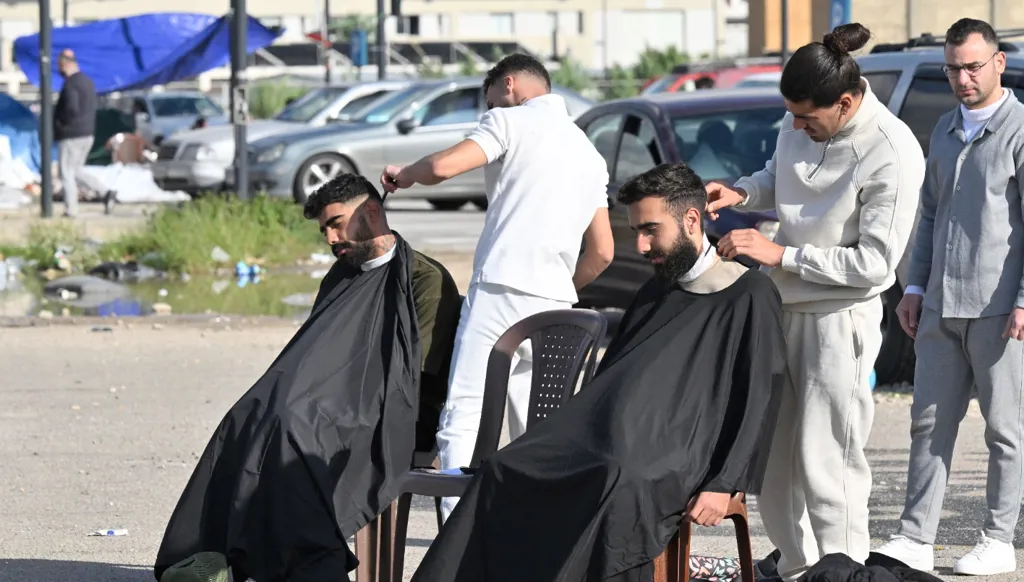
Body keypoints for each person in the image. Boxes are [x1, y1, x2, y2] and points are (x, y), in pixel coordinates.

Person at [411, 162, 786, 582]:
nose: (641, 246)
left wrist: (725, 482)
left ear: (692, 220)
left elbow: (758, 394)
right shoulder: (655, 289)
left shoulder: (748, 292)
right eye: (637, 232)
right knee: (505, 469)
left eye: (650, 230)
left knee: (618, 485)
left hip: (680, 452)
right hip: (612, 437)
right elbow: (612, 381)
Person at [153, 174, 461, 582]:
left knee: (294, 425)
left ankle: (313, 564)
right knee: (250, 413)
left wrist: (327, 399)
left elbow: (414, 370)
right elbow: (314, 354)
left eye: (337, 223)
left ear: (371, 212)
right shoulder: (342, 274)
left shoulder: (423, 279)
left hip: (395, 410)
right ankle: (222, 554)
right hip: (332, 400)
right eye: (324, 230)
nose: (331, 238)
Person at [704, 23, 926, 581]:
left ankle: (843, 571)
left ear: (846, 102)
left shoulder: (893, 149)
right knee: (774, 463)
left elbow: (875, 264)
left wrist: (782, 255)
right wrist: (742, 192)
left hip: (839, 319)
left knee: (828, 460)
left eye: (808, 118)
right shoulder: (796, 118)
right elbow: (778, 177)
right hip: (781, 310)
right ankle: (800, 569)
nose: (797, 126)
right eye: (792, 116)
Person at [379, 53, 614, 519]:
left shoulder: (510, 121)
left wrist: (404, 175)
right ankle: (537, 543)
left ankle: (456, 543)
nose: (490, 109)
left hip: (501, 294)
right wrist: (556, 287)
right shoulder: (589, 152)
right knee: (539, 432)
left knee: (463, 419)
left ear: (509, 85)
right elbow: (602, 252)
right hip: (556, 307)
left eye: (491, 100)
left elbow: (447, 166)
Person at [874, 18, 1024, 576]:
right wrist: (913, 286)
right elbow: (929, 213)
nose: (962, 78)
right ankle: (916, 536)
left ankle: (998, 538)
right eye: (953, 68)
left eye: (972, 66)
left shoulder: (1019, 131)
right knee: (928, 423)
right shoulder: (942, 129)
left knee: (1004, 429)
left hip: (999, 309)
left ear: (999, 63)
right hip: (940, 304)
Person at [53, 49, 106, 217]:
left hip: (71, 134)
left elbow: (71, 108)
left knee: (66, 172)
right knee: (76, 171)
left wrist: (61, 125)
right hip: (87, 132)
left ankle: (71, 209)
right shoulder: (88, 82)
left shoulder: (71, 84)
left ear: (64, 64)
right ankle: (106, 192)